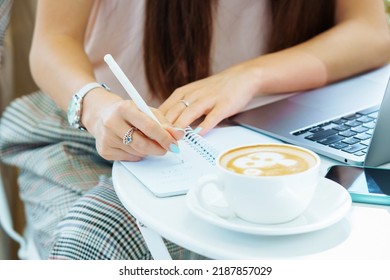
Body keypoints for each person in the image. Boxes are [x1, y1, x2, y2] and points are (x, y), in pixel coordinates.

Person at [0, 0, 389, 260]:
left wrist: (249, 77)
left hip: (270, 129)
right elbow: (53, 42)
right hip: (94, 136)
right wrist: (95, 107)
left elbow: (372, 31)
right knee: (92, 242)